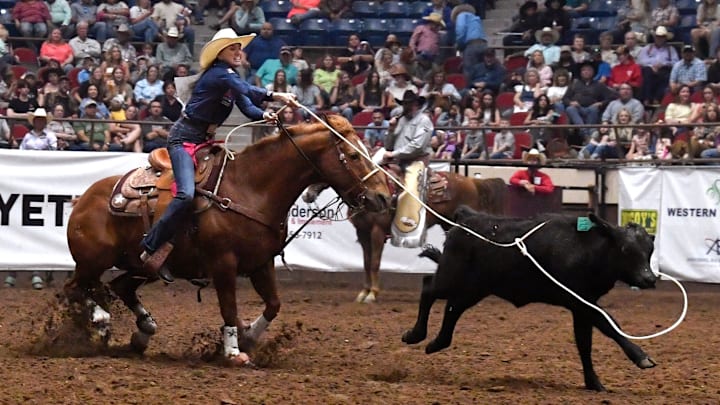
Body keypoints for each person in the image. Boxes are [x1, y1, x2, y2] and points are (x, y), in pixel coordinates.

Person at [139, 29, 297, 283]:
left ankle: (197, 252)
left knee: (218, 193)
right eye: (232, 48)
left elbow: (247, 105)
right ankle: (150, 246)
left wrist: (264, 114)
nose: (238, 52)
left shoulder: (228, 78)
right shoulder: (218, 74)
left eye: (238, 48)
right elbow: (245, 88)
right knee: (185, 194)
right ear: (220, 52)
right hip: (183, 139)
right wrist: (276, 95)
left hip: (204, 142)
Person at [383, 90, 434, 172]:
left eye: (410, 104)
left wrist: (394, 154)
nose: (407, 107)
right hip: (397, 162)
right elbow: (388, 146)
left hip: (416, 163)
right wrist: (391, 130)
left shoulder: (423, 120)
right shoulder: (399, 120)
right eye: (405, 104)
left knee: (411, 184)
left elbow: (418, 146)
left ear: (417, 105)